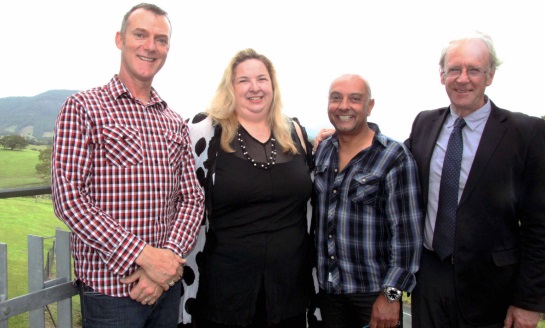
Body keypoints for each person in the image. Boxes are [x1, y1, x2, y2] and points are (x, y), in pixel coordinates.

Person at [51, 3, 205, 327]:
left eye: (160, 39)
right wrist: (143, 256)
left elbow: (192, 199)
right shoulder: (84, 108)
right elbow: (69, 198)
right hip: (110, 294)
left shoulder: (173, 121)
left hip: (166, 289)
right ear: (120, 39)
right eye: (140, 34)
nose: (150, 46)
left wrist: (165, 265)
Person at [405, 31, 545, 327]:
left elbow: (539, 226)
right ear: (442, 75)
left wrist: (529, 303)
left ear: (490, 75)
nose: (463, 78)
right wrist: (346, 138)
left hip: (490, 288)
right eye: (454, 69)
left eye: (474, 70)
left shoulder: (526, 133)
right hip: (429, 278)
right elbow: (393, 161)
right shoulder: (424, 123)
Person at [184, 48, 315, 327]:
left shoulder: (296, 133)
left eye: (262, 79)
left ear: (273, 85)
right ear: (230, 88)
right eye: (243, 80)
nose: (254, 87)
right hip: (225, 292)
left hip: (289, 290)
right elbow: (176, 196)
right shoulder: (204, 132)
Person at [313, 74, 423, 328]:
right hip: (329, 291)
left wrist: (391, 297)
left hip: (373, 294)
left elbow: (407, 237)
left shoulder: (394, 157)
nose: (344, 106)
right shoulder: (323, 151)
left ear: (369, 106)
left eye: (355, 99)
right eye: (336, 98)